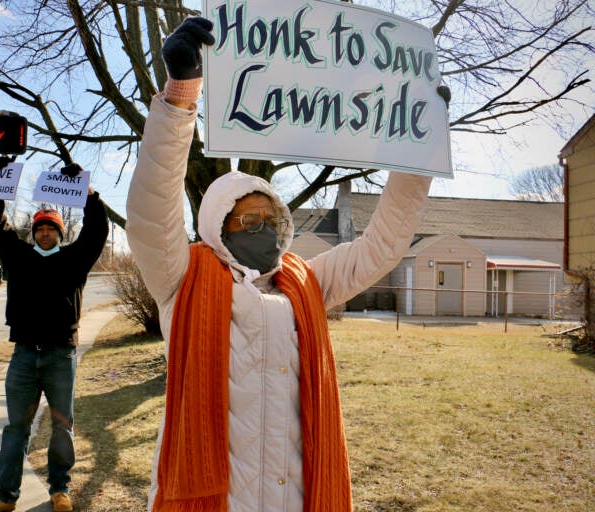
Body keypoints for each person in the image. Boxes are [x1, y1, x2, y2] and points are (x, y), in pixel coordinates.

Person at [126, 17, 447, 512]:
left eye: (270, 219)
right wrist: (180, 98)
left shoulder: (308, 282)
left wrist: (416, 155)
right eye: (247, 220)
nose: (263, 229)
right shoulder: (182, 280)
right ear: (217, 227)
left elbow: (383, 245)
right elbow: (152, 211)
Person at [0, 172, 109, 512]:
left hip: (60, 357)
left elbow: (97, 231)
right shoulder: (18, 257)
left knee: (62, 426)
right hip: (22, 358)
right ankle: (5, 496)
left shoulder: (75, 260)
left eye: (52, 228)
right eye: (40, 228)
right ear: (33, 233)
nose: (45, 233)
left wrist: (89, 194)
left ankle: (59, 489)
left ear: (61, 233)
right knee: (15, 428)